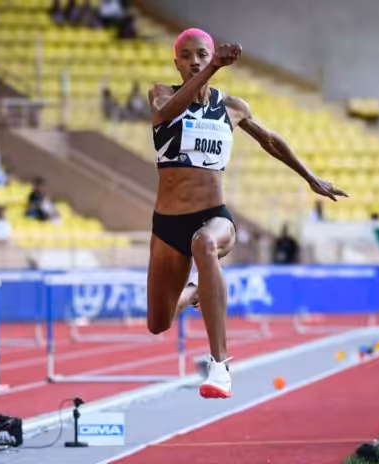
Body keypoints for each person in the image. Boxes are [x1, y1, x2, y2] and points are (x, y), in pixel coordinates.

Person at [147, 28, 347, 399]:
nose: (195, 61)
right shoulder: (162, 95)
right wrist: (212, 71)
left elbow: (271, 140)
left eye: (202, 55)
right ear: (176, 62)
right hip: (167, 224)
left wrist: (310, 177)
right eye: (187, 56)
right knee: (158, 323)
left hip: (213, 216)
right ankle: (197, 291)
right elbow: (165, 116)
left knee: (205, 245)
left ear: (211, 56)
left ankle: (219, 366)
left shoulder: (232, 107)